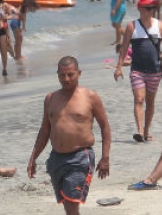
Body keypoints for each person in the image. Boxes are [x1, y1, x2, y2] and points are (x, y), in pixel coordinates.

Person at [28, 56, 111, 215]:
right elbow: (44, 130)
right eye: (62, 75)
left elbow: (105, 127)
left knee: (72, 203)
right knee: (67, 203)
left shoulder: (90, 97)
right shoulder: (50, 98)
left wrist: (105, 157)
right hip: (56, 158)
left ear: (79, 73)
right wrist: (33, 158)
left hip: (81, 157)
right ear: (57, 75)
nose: (66, 79)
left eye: (70, 74)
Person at [113, 0, 162, 143]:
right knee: (139, 99)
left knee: (150, 101)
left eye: (152, 8)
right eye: (148, 8)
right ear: (140, 9)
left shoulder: (159, 25)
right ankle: (139, 131)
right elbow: (124, 48)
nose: (151, 10)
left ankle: (146, 131)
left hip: (155, 70)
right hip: (137, 71)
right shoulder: (132, 26)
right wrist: (119, 67)